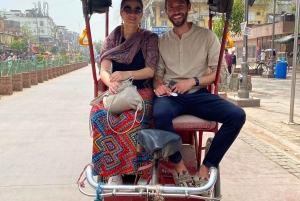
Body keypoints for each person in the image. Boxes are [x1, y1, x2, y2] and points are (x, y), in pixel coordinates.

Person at [153, 0, 246, 188]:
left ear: (189, 7)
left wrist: (193, 81)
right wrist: (158, 86)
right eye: (171, 7)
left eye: (180, 5)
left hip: (199, 94)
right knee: (159, 114)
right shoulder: (162, 41)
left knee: (237, 115)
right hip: (172, 96)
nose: (176, 11)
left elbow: (219, 74)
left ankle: (206, 166)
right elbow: (158, 74)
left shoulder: (207, 37)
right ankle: (178, 165)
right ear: (166, 11)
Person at [90, 0, 159, 185]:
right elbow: (104, 70)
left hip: (142, 91)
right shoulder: (112, 39)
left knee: (134, 117)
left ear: (141, 15)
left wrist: (126, 74)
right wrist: (110, 84)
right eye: (127, 8)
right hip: (118, 90)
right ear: (121, 12)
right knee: (98, 115)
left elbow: (150, 70)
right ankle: (113, 170)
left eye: (137, 10)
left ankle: (142, 171)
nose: (132, 13)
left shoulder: (148, 38)